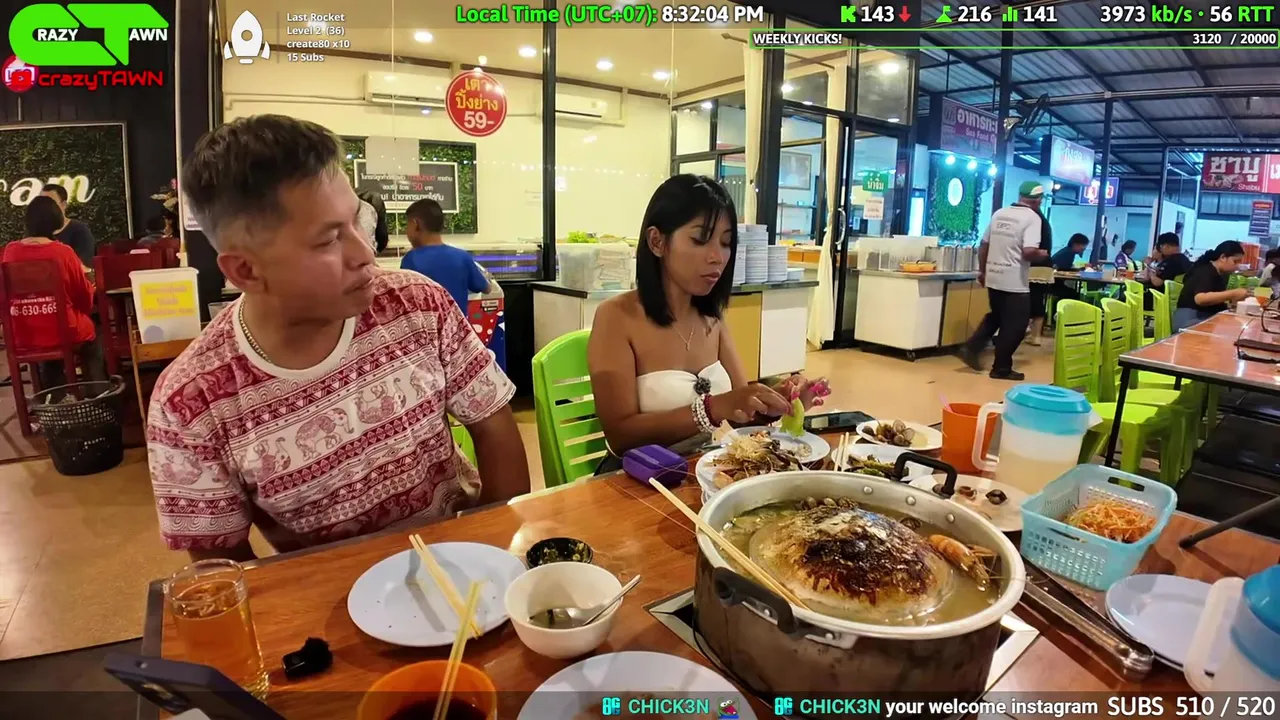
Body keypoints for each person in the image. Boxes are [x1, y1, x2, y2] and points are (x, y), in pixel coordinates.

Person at [147, 114, 530, 561]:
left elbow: (493, 423)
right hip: (329, 588)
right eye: (328, 239)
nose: (365, 252)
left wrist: (489, 554)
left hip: (459, 562)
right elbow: (222, 565)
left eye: (356, 221)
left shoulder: (416, 304)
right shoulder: (191, 401)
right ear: (246, 270)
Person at [587, 175, 825, 464]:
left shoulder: (713, 319)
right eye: (700, 239)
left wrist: (778, 402)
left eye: (726, 243)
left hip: (702, 469)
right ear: (657, 241)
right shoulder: (616, 317)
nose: (717, 257)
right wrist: (712, 409)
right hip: (634, 476)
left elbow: (738, 413)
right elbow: (620, 435)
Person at [2, 196, 105, 391]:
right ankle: (98, 395)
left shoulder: (10, 252)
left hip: (24, 332)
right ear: (56, 220)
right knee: (90, 336)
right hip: (63, 330)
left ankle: (51, 396)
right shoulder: (62, 252)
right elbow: (83, 297)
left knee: (47, 337)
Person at [962, 181, 1049, 380]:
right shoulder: (1032, 218)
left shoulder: (999, 213)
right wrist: (1042, 254)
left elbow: (983, 245)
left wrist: (983, 271)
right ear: (1038, 200)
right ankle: (1001, 368)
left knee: (998, 316)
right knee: (1017, 325)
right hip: (1014, 280)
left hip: (994, 276)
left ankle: (972, 347)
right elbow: (1028, 252)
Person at [399, 199, 491, 312]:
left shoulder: (411, 260)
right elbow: (486, 289)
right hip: (458, 323)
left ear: (415, 224)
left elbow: (404, 301)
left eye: (407, 225)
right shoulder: (463, 257)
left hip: (427, 323)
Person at [1173, 241, 1250, 332]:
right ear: (1223, 257)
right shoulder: (1205, 270)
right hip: (1190, 320)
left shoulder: (1219, 274)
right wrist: (1233, 294)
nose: (1237, 266)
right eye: (1235, 261)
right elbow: (1200, 299)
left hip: (1200, 316)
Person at [39, 184, 96, 268]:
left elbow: (85, 266)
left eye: (51, 203)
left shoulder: (80, 230)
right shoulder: (36, 232)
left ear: (64, 204)